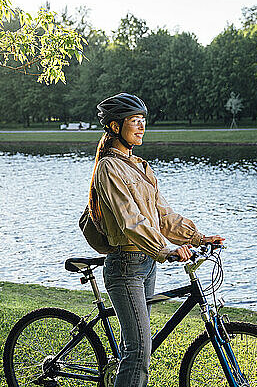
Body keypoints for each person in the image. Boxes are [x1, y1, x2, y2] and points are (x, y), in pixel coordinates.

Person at [88, 92, 224, 387]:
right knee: (139, 352)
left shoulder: (140, 166)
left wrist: (199, 238)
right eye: (134, 121)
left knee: (134, 346)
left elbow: (162, 216)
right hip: (126, 266)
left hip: (146, 263)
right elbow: (130, 220)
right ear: (114, 126)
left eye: (143, 121)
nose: (141, 127)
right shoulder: (108, 168)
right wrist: (167, 249)